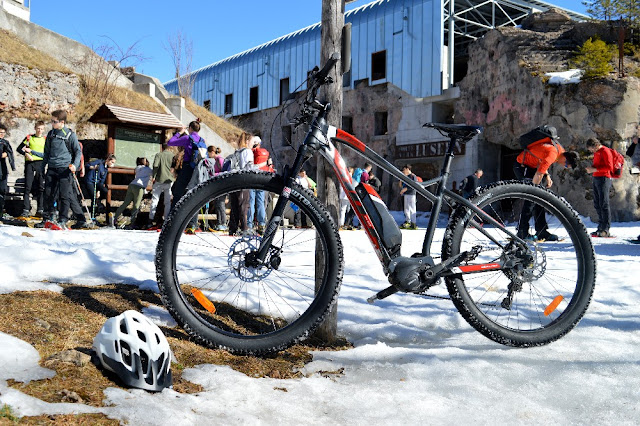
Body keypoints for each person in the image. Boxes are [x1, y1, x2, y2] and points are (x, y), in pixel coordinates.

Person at [513, 134, 578, 241]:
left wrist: (547, 176)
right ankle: (522, 232)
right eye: (566, 165)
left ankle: (542, 231)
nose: (564, 166)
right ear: (565, 158)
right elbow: (539, 173)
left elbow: (542, 162)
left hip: (532, 166)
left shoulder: (559, 150)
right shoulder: (553, 154)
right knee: (531, 199)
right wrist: (533, 190)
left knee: (539, 199)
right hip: (522, 166)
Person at [37, 110, 82, 229]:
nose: (52, 123)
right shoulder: (51, 134)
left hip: (64, 169)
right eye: (51, 121)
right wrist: (42, 168)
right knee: (48, 194)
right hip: (51, 168)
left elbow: (78, 151)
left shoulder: (70, 135)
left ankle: (63, 219)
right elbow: (46, 152)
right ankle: (48, 217)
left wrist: (75, 165)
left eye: (54, 121)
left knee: (64, 195)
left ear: (62, 122)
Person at [168, 120, 206, 211]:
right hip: (198, 169)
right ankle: (191, 221)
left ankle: (172, 218)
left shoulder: (188, 138)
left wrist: (180, 132)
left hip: (187, 167)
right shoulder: (202, 140)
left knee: (177, 192)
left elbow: (170, 142)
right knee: (192, 193)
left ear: (190, 128)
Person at [109, 157, 152, 229]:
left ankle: (115, 217)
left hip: (132, 185)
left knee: (125, 203)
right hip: (139, 187)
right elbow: (154, 172)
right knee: (136, 205)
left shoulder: (137, 168)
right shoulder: (148, 169)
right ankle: (133, 222)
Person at [16, 121, 46, 218]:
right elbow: (19, 148)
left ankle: (40, 209)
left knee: (41, 187)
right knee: (28, 186)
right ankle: (26, 209)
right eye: (38, 128)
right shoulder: (29, 137)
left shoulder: (45, 139)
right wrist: (26, 154)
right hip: (30, 163)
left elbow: (48, 152)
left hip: (40, 163)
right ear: (35, 128)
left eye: (41, 129)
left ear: (43, 129)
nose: (39, 130)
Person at [585, 138, 614, 237]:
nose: (591, 151)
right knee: (597, 203)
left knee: (604, 203)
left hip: (604, 178)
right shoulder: (597, 152)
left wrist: (594, 169)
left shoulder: (605, 151)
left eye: (592, 149)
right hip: (596, 177)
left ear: (596, 145)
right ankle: (600, 227)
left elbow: (610, 167)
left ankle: (605, 229)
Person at [227, 132, 254, 236]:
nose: (253, 144)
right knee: (244, 204)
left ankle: (233, 227)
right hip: (243, 180)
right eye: (252, 142)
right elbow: (248, 166)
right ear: (247, 142)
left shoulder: (236, 152)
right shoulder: (247, 151)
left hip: (234, 179)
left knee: (234, 204)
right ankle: (244, 227)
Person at [247, 136, 273, 234]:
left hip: (252, 179)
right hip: (262, 180)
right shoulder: (266, 153)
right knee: (261, 203)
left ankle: (249, 225)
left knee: (251, 203)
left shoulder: (252, 152)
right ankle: (261, 224)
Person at [148, 143, 175, 227]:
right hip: (169, 180)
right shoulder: (173, 156)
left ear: (162, 148)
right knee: (167, 202)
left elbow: (155, 165)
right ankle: (166, 219)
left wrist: (154, 176)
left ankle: (151, 219)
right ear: (170, 148)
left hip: (159, 180)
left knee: (155, 200)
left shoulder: (159, 155)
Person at [0, 124, 16, 222]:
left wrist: (5, 154)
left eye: (3, 133)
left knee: (2, 191)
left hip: (2, 171)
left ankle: (1, 212)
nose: (1, 134)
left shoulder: (5, 142)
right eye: (0, 132)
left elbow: (9, 153)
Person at [399, 164, 417, 230]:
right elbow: (401, 186)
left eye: (404, 170)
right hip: (406, 194)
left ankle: (413, 223)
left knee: (412, 208)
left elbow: (414, 186)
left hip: (411, 194)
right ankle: (407, 221)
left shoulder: (412, 176)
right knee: (406, 209)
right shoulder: (406, 177)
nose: (403, 171)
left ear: (407, 169)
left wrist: (405, 189)